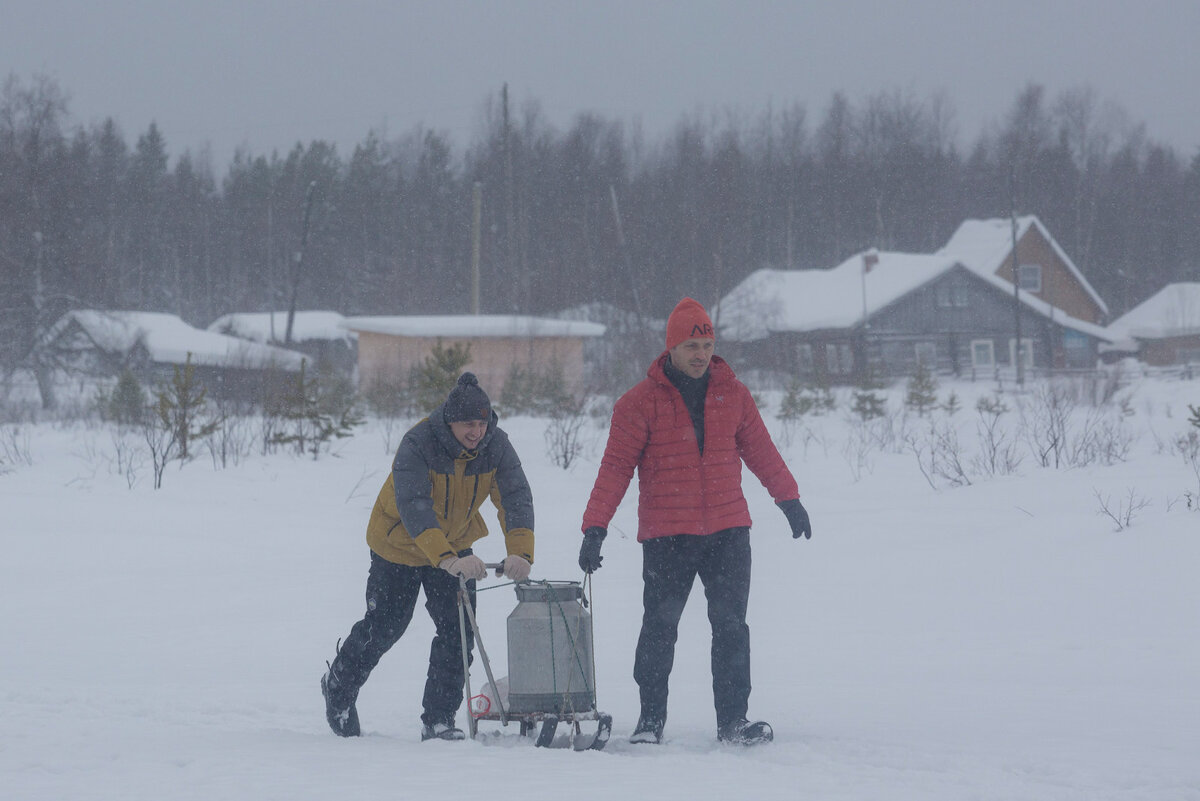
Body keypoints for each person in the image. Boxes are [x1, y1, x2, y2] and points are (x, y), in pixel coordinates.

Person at [578, 297, 811, 746]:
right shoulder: (639, 403)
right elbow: (615, 469)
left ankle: (732, 722)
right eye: (690, 345)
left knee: (731, 627)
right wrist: (595, 527)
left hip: (727, 531)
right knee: (660, 628)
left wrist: (789, 499)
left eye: (706, 344)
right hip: (669, 536)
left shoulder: (734, 394)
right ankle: (650, 721)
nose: (700, 354)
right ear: (671, 348)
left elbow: (761, 450)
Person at [321, 372, 535, 741]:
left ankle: (438, 718)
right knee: (386, 626)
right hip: (400, 546)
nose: (477, 432)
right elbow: (415, 506)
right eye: (469, 424)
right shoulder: (418, 443)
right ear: (450, 421)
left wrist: (520, 551)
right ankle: (339, 686)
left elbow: (515, 498)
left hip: (454, 543)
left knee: (459, 632)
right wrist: (447, 559)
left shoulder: (496, 446)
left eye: (482, 423)